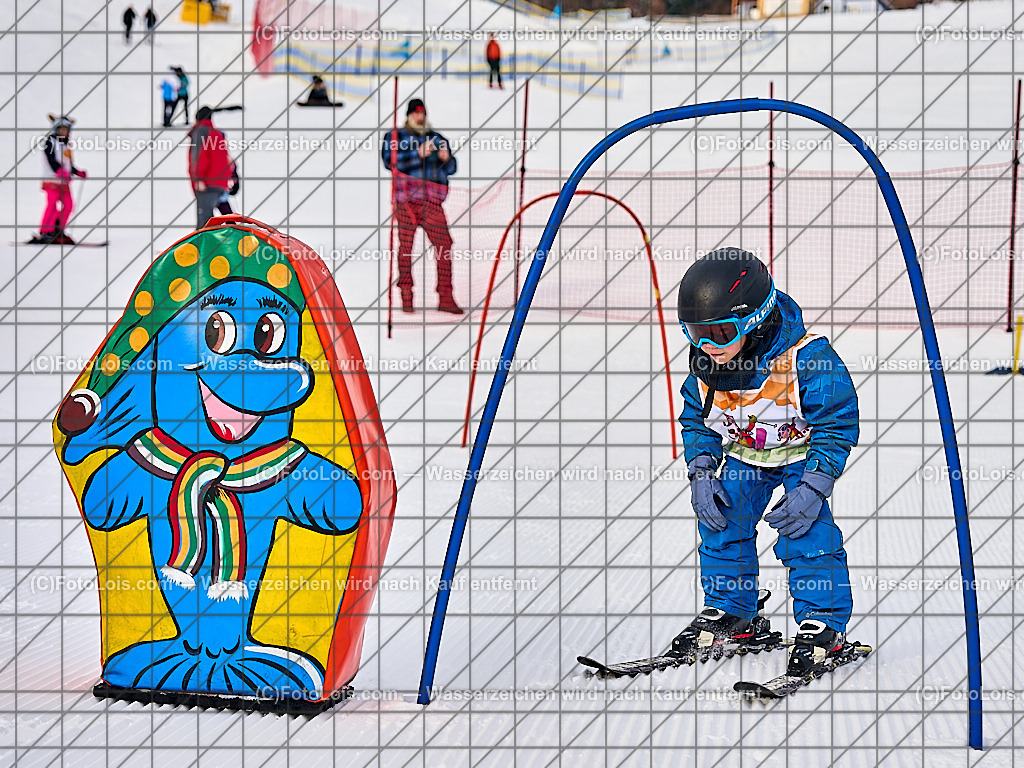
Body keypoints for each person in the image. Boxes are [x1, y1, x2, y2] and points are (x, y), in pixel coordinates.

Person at [672, 248, 859, 678]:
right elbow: (696, 419)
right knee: (722, 520)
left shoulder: (808, 360)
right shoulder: (706, 367)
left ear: (754, 320)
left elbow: (837, 422)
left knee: (806, 533)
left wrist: (814, 485)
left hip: (801, 456)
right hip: (746, 454)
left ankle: (823, 626)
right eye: (695, 332)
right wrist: (702, 470)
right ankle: (732, 613)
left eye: (719, 332)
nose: (706, 346)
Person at [380, 98, 461, 315]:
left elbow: (453, 167)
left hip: (432, 202)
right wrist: (418, 154)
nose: (419, 116)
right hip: (406, 201)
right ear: (408, 115)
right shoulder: (395, 137)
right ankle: (406, 295)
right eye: (415, 113)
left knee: (444, 245)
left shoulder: (437, 138)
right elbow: (390, 162)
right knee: (405, 248)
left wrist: (447, 158)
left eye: (422, 112)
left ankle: (446, 296)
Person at [31, 115, 87, 245]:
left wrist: (76, 172)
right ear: (56, 129)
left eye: (66, 130)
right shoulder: (50, 142)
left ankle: (58, 229)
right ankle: (46, 231)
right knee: (52, 204)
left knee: (68, 205)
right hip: (52, 180)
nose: (64, 132)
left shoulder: (67, 145)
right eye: (61, 129)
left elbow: (67, 164)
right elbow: (51, 159)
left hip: (63, 182)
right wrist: (58, 171)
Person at [187, 106, 236, 228]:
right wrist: (233, 176)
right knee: (227, 217)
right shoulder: (217, 134)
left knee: (204, 225)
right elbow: (228, 159)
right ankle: (238, 241)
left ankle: (203, 247)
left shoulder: (201, 132)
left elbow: (199, 157)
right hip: (221, 183)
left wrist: (198, 179)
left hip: (207, 183)